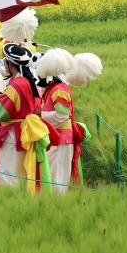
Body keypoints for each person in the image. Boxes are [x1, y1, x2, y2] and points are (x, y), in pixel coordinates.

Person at [37, 49, 102, 192]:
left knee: (58, 173)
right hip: (57, 137)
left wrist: (41, 114)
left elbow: (62, 116)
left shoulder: (59, 90)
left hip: (60, 139)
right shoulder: (56, 88)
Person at [0, 42, 45, 189]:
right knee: (21, 173)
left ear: (10, 64)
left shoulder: (16, 85)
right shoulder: (29, 82)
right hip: (25, 132)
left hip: (13, 135)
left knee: (8, 174)